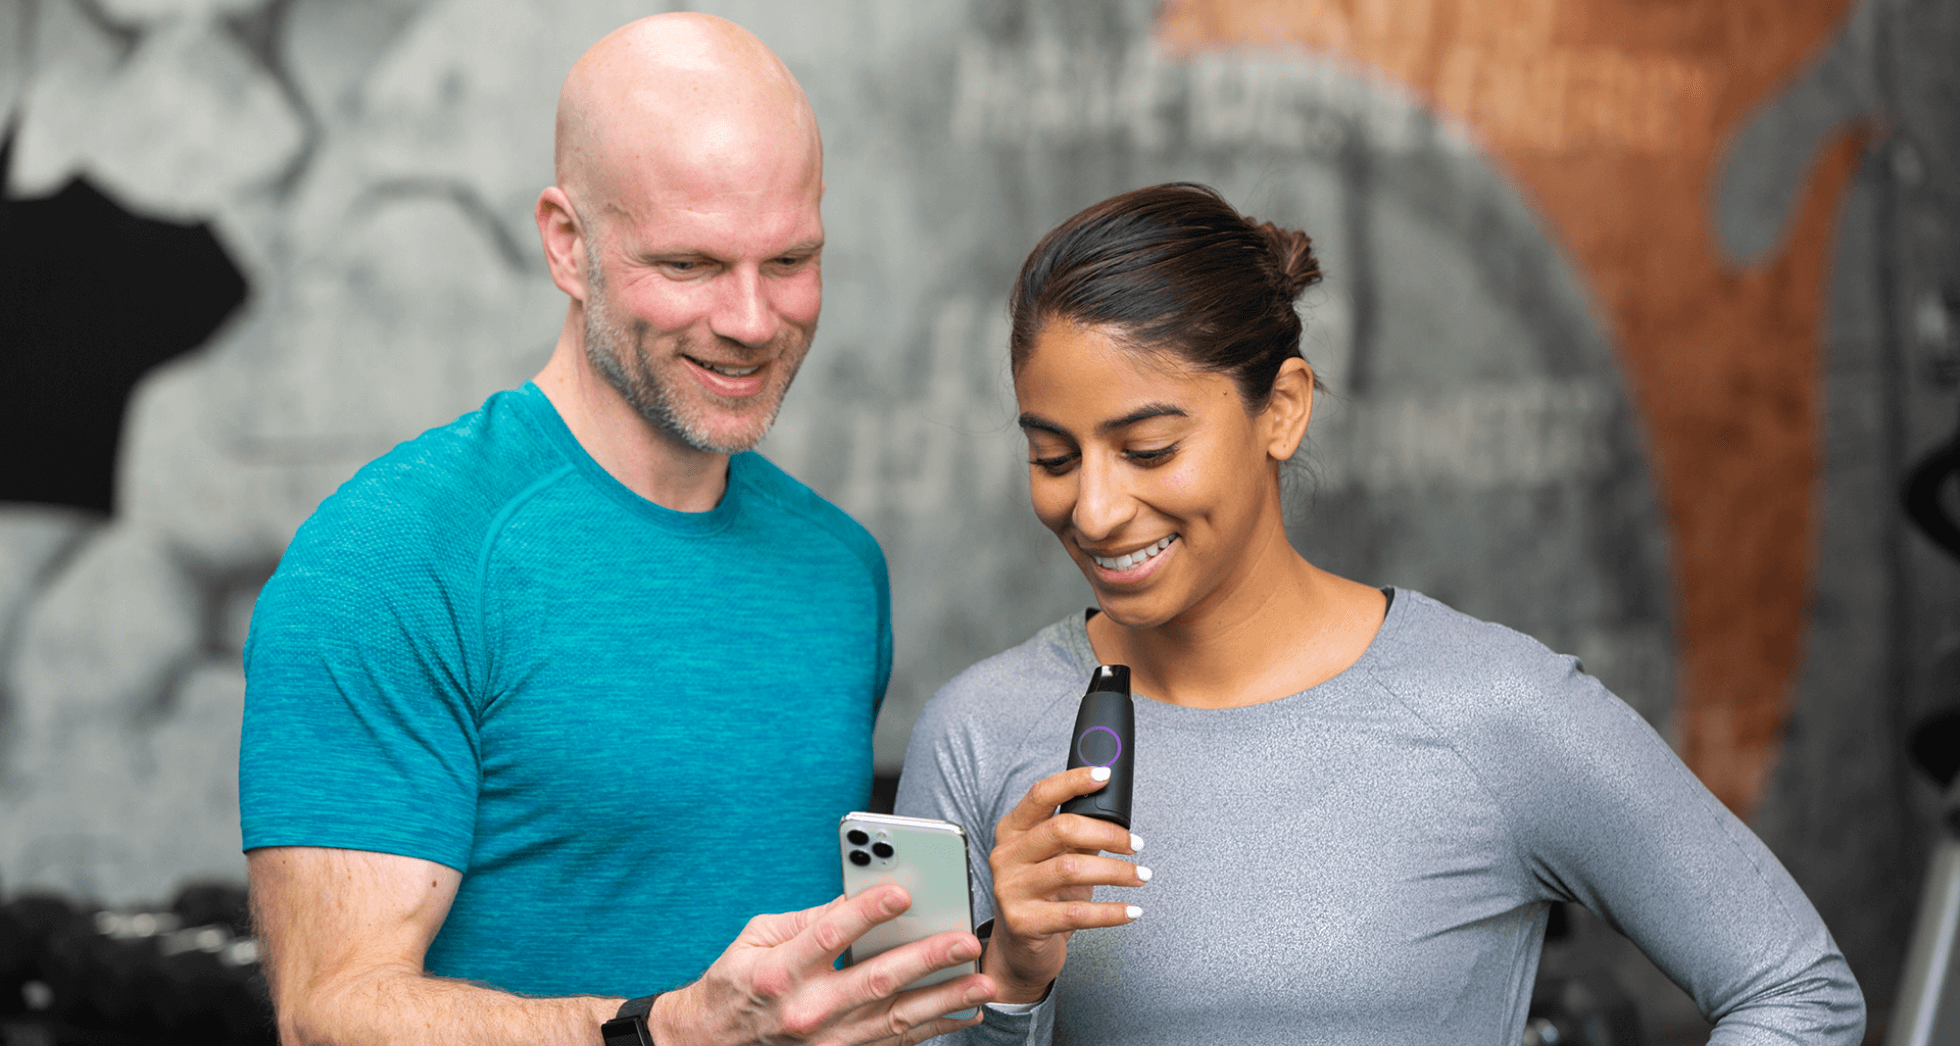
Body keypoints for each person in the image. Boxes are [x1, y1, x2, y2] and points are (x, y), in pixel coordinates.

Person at [895, 182, 1866, 1044]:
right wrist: (1013, 975)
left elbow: (1797, 989)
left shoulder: (1491, 707)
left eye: (1147, 449)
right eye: (1054, 457)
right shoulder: (978, 733)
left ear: (1281, 408)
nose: (1094, 507)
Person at [239, 14, 994, 1046]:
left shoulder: (837, 567)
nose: (750, 318)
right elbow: (332, 1009)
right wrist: (668, 1030)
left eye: (789, 258)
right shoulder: (390, 557)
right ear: (567, 243)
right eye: (688, 263)